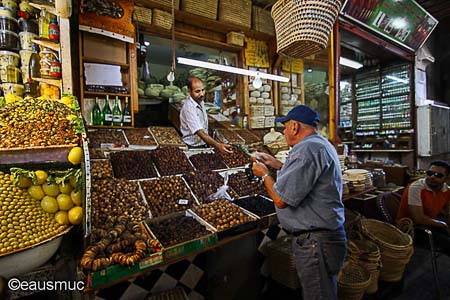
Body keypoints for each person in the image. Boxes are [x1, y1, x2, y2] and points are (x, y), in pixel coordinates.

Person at [252, 105, 346, 300]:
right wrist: (277, 165)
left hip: (316, 243)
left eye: (284, 127)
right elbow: (305, 176)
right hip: (326, 239)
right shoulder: (320, 144)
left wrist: (264, 175)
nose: (283, 132)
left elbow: (281, 200)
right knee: (326, 291)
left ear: (294, 126)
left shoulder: (306, 149)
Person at [397, 160, 450, 256]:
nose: (432, 177)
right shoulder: (416, 188)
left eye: (438, 175)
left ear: (446, 178)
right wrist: (443, 225)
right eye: (430, 173)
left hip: (430, 222)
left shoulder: (446, 190)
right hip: (413, 228)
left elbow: (447, 211)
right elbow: (419, 219)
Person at [179, 77, 232, 153]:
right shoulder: (189, 108)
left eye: (203, 90)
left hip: (203, 143)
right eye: (197, 91)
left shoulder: (200, 100)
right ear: (189, 91)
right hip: (193, 146)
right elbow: (200, 132)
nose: (202, 94)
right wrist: (217, 145)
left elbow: (201, 120)